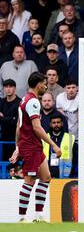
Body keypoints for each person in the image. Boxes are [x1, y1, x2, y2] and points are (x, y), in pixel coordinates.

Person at [9, 72, 62, 222]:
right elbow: (37, 128)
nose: (46, 86)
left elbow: (19, 127)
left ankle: (38, 216)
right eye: (44, 83)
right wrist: (54, 145)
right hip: (31, 146)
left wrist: (17, 147)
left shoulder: (23, 100)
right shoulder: (33, 102)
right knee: (29, 180)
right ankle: (21, 218)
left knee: (46, 177)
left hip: (32, 146)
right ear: (38, 84)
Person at [42, 112, 76, 178]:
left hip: (65, 176)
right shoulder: (44, 138)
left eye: (58, 122)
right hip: (47, 175)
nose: (56, 125)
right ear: (50, 124)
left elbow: (75, 159)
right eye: (54, 123)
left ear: (62, 123)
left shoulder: (70, 138)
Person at [0, 79, 21, 162]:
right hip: (3, 137)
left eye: (10, 87)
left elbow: (17, 121)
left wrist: (3, 118)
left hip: (16, 138)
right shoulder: (2, 102)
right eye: (6, 87)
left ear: (15, 88)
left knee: (15, 164)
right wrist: (11, 118)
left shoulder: (19, 102)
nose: (8, 89)